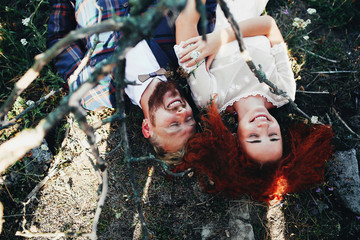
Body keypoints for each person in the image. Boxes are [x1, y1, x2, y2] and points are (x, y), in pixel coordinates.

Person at [171, 0, 333, 202]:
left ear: (235, 139)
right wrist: (221, 38)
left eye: (254, 137)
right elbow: (269, 26)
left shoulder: (210, 99)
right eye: (273, 136)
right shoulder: (283, 91)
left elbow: (185, 23)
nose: (263, 126)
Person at [47, 0, 217, 154]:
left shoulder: (93, 93)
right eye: (189, 119)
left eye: (174, 125)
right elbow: (207, 8)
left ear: (147, 128)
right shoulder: (184, 50)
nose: (181, 113)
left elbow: (60, 41)